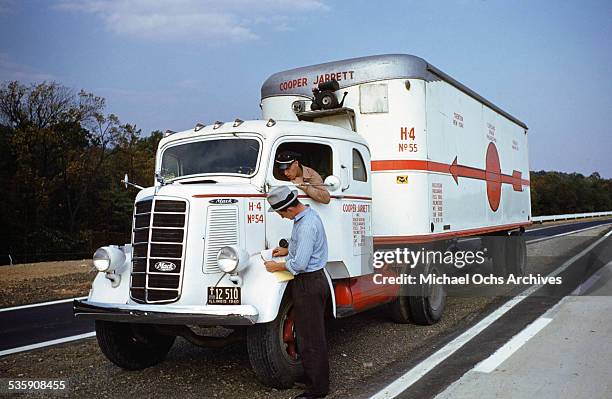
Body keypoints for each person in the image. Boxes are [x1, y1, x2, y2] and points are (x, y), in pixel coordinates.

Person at [264, 186, 330, 399]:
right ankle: (312, 377)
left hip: (308, 282)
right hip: (311, 282)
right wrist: (287, 250)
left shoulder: (306, 225)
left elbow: (300, 263)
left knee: (312, 337)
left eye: (281, 213)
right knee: (305, 333)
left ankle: (318, 389)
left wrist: (278, 266)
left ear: (288, 209)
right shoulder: (306, 217)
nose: (282, 217)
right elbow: (301, 248)